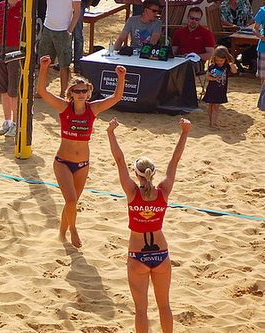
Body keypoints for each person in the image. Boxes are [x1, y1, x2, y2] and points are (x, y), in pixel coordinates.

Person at [107, 116, 191, 333]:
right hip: (161, 253)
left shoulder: (132, 192)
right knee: (164, 306)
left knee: (141, 311)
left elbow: (118, 160)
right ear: (153, 174)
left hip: (137, 256)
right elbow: (175, 160)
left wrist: (111, 133)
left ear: (137, 174)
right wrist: (184, 132)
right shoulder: (163, 190)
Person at [37, 54, 126, 248]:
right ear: (71, 93)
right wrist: (44, 68)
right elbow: (42, 91)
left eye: (84, 91)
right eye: (77, 91)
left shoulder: (92, 109)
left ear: (88, 92)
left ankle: (61, 234)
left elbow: (116, 97)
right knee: (70, 200)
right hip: (62, 162)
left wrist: (121, 77)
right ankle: (73, 230)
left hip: (83, 164)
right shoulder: (64, 107)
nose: (81, 94)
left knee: (72, 203)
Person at [38, 0, 81, 98]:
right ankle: (41, 90)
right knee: (44, 62)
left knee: (64, 64)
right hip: (48, 26)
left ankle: (63, 93)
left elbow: (77, 11)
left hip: (63, 30)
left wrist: (69, 30)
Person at [0, 0, 22, 138]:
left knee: (14, 91)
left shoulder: (24, 7)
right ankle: (7, 122)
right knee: (3, 89)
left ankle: (16, 124)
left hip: (16, 50)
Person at [202, 46, 238, 129]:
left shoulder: (226, 66)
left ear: (225, 59)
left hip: (221, 90)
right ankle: (212, 122)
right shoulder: (213, 66)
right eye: (217, 60)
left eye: (221, 60)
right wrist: (214, 78)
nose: (219, 62)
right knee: (211, 105)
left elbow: (234, 71)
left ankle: (213, 122)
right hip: (212, 88)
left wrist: (230, 62)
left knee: (216, 106)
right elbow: (207, 76)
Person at [172, 7, 215, 72]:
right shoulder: (179, 32)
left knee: (186, 68)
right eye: (192, 18)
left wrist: (192, 56)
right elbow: (174, 51)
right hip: (179, 60)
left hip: (196, 62)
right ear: (187, 17)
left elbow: (210, 54)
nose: (194, 21)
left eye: (197, 19)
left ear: (200, 20)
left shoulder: (206, 33)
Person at [252, 5, 265, 84]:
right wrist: (260, 36)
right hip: (263, 48)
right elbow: (255, 29)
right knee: (263, 76)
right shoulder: (263, 11)